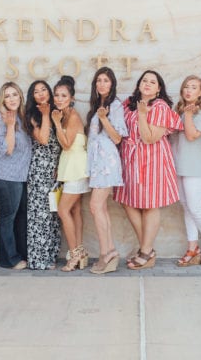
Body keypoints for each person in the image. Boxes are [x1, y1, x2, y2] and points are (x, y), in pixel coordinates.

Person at [114, 70, 183, 270]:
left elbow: (150, 138)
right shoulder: (129, 104)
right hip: (130, 160)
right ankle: (148, 249)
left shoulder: (160, 107)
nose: (147, 84)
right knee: (128, 202)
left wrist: (143, 116)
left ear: (158, 88)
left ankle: (145, 251)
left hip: (153, 161)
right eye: (145, 80)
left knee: (150, 205)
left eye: (153, 82)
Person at [85, 67, 128, 274]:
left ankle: (106, 253)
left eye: (106, 80)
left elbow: (118, 138)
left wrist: (104, 119)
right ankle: (110, 250)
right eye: (98, 80)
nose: (101, 84)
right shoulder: (97, 105)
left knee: (95, 206)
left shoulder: (116, 106)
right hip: (97, 162)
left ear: (112, 84)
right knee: (100, 208)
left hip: (107, 161)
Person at [171, 75, 201, 267]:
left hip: (196, 167)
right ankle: (192, 247)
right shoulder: (179, 110)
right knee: (186, 207)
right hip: (180, 165)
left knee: (196, 208)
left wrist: (188, 115)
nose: (189, 90)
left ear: (200, 92)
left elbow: (191, 136)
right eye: (186, 87)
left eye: (194, 87)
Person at [0, 82, 32, 270]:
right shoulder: (1, 120)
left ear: (20, 96)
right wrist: (9, 126)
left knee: (21, 217)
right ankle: (10, 259)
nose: (12, 99)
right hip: (6, 176)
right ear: (3, 100)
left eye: (14, 94)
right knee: (8, 217)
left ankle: (22, 255)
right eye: (7, 96)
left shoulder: (23, 117)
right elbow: (6, 150)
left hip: (21, 176)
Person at [51, 75, 90, 272]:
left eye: (63, 95)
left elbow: (67, 145)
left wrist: (56, 123)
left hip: (76, 168)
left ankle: (74, 253)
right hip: (70, 167)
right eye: (56, 95)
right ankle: (80, 252)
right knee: (74, 210)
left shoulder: (72, 116)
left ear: (71, 98)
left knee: (62, 210)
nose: (59, 99)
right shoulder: (65, 114)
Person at [25, 80, 62, 270]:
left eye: (44, 90)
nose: (40, 94)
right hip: (40, 169)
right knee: (39, 215)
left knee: (53, 214)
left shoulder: (59, 113)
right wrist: (46, 115)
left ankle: (51, 255)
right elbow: (44, 139)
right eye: (36, 91)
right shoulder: (32, 115)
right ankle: (39, 258)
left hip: (56, 169)